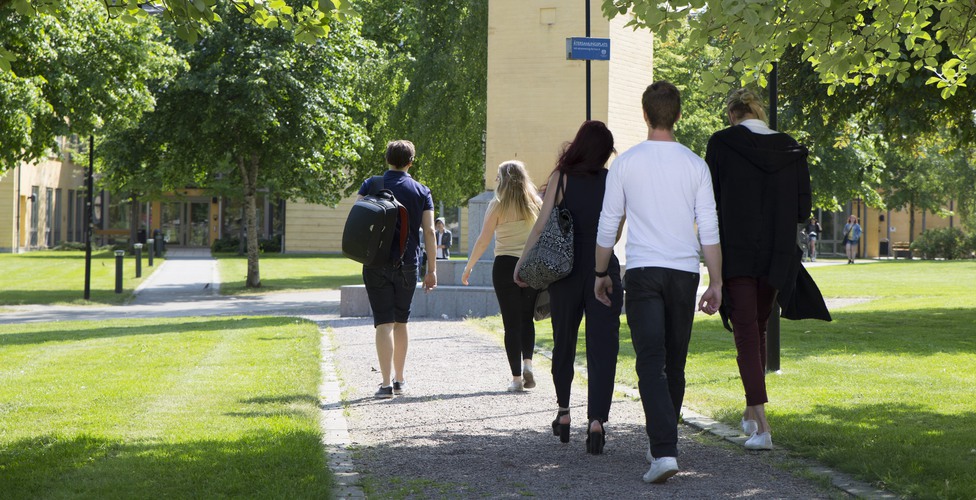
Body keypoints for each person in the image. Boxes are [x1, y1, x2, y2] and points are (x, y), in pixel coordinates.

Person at [594, 81, 723, 484]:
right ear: (679, 115)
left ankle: (663, 449)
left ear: (645, 115)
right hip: (685, 273)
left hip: (644, 271)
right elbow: (710, 230)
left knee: (651, 360)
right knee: (675, 361)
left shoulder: (626, 164)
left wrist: (600, 273)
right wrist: (716, 281)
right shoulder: (695, 165)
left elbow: (607, 225)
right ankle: (662, 444)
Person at [704, 88, 814, 451]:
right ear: (757, 112)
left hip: (737, 249)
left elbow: (711, 201)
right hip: (777, 252)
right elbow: (802, 210)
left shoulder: (721, 144)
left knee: (747, 332)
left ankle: (763, 425)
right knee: (759, 327)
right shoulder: (791, 148)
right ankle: (752, 414)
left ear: (732, 115)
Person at [515, 120, 622, 455]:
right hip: (602, 271)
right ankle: (596, 421)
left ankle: (563, 413)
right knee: (602, 347)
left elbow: (541, 226)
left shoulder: (561, 179)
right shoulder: (613, 181)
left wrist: (522, 263)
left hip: (564, 273)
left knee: (564, 343)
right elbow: (616, 231)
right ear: (605, 152)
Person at [357, 140, 437, 399]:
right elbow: (430, 231)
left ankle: (384, 384)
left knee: (383, 322)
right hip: (408, 263)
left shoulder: (371, 185)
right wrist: (432, 269)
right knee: (401, 321)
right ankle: (400, 380)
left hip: (375, 262)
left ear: (387, 159)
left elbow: (358, 219)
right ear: (411, 162)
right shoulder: (421, 190)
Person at [463, 161, 542, 392]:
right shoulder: (534, 203)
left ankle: (516, 379)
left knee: (511, 323)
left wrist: (469, 266)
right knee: (527, 318)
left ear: (502, 180)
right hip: (530, 265)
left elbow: (483, 239)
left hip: (505, 265)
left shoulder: (497, 204)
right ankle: (528, 363)